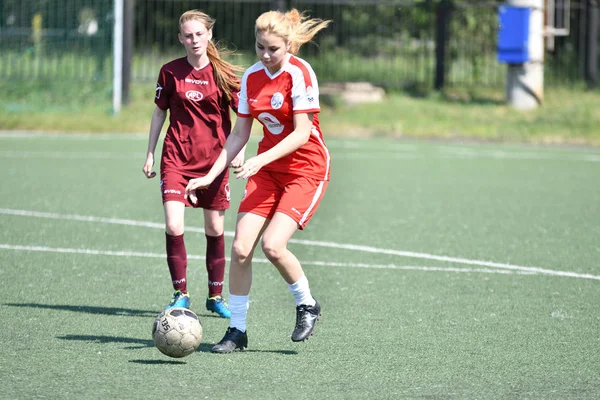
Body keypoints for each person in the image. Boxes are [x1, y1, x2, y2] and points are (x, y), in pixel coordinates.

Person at [184, 8, 332, 352]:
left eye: (273, 49)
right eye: (260, 47)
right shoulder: (251, 76)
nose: (265, 55)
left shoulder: (300, 73)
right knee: (240, 249)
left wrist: (258, 159)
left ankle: (307, 304)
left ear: (288, 46)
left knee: (273, 246)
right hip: (266, 170)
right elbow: (239, 134)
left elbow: (302, 133)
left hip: (305, 168)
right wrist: (209, 174)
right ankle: (237, 331)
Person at [142, 10, 245, 318]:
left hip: (214, 160)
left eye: (199, 34)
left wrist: (237, 150)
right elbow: (160, 113)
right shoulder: (169, 72)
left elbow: (243, 118)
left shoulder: (224, 74)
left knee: (214, 229)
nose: (194, 40)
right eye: (188, 35)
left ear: (209, 35)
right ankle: (180, 293)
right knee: (174, 224)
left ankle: (215, 296)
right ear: (180, 39)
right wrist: (150, 152)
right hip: (176, 158)